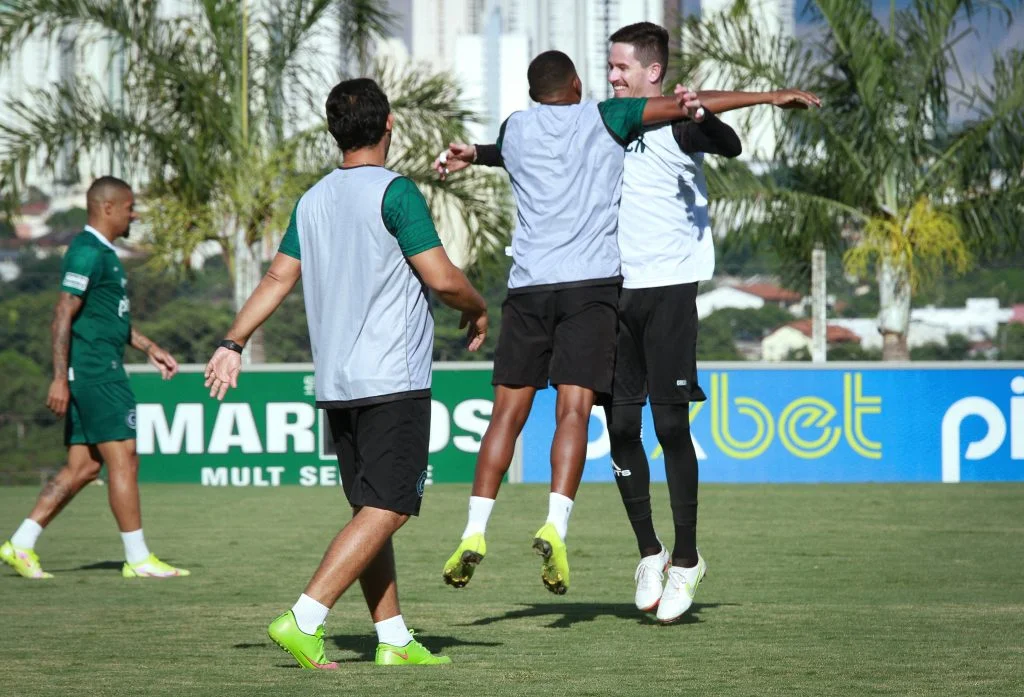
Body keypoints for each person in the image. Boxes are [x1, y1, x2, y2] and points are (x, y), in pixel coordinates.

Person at [203, 78, 488, 669]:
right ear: (389, 126)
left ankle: (393, 639)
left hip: (337, 385)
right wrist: (478, 306)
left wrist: (234, 340)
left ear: (335, 132)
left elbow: (277, 278)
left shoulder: (313, 200)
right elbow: (440, 277)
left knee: (369, 510)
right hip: (392, 379)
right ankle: (305, 617)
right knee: (390, 508)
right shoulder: (396, 192)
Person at [434, 50, 703, 596]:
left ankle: (474, 529)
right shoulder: (605, 116)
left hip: (527, 290)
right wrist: (766, 97)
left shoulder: (515, 128)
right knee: (574, 410)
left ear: (534, 93)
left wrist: (474, 152)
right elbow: (679, 107)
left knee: (505, 416)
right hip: (589, 290)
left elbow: (499, 152)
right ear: (577, 83)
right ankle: (555, 523)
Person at [603, 22, 820, 623]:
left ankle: (689, 559)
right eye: (610, 65)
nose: (613, 74)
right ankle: (651, 551)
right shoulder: (607, 123)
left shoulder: (679, 123)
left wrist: (717, 112)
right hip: (615, 294)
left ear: (654, 72)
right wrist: (482, 155)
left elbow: (728, 144)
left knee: (670, 429)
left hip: (670, 292)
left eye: (623, 66)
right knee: (621, 427)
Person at [1, 176, 188, 580]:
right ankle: (138, 559)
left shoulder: (104, 253)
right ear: (107, 208)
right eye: (130, 207)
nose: (133, 214)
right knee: (125, 459)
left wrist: (149, 346)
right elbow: (62, 314)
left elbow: (106, 319)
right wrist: (59, 378)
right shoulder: (86, 251)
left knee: (83, 469)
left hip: (96, 370)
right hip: (96, 373)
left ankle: (20, 543)